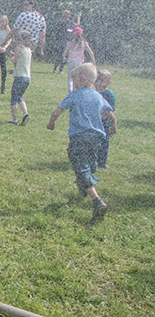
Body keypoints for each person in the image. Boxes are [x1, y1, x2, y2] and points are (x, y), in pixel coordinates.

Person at [47, 63, 116, 222]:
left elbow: (57, 111)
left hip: (79, 137)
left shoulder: (75, 95)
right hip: (97, 138)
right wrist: (112, 128)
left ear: (82, 79)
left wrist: (51, 123)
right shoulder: (99, 96)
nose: (73, 82)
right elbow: (111, 115)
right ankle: (83, 187)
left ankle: (97, 201)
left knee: (81, 167)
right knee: (88, 163)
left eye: (74, 79)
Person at [7, 30, 32, 125]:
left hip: (19, 78)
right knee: (19, 96)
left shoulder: (19, 48)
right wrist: (14, 70)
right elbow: (23, 63)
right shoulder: (28, 50)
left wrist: (11, 57)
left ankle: (14, 119)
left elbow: (15, 61)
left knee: (14, 98)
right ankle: (25, 114)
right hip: (27, 77)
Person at [94, 69, 116, 169]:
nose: (99, 83)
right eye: (97, 80)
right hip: (92, 122)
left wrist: (102, 118)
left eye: (102, 81)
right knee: (92, 142)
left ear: (109, 82)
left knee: (103, 143)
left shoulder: (109, 94)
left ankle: (101, 163)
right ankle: (91, 160)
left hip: (104, 124)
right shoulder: (92, 92)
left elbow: (110, 112)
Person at [62, 27, 95, 92]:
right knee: (77, 78)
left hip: (71, 62)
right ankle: (75, 90)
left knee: (70, 78)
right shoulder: (84, 43)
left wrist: (64, 58)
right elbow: (91, 52)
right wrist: (93, 61)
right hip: (79, 63)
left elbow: (64, 53)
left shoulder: (71, 42)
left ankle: (70, 90)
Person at [53, 10, 80, 74]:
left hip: (67, 42)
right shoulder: (63, 22)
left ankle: (60, 70)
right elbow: (62, 22)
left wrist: (77, 17)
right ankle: (55, 68)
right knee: (60, 55)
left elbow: (76, 25)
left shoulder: (70, 23)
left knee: (64, 56)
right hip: (61, 41)